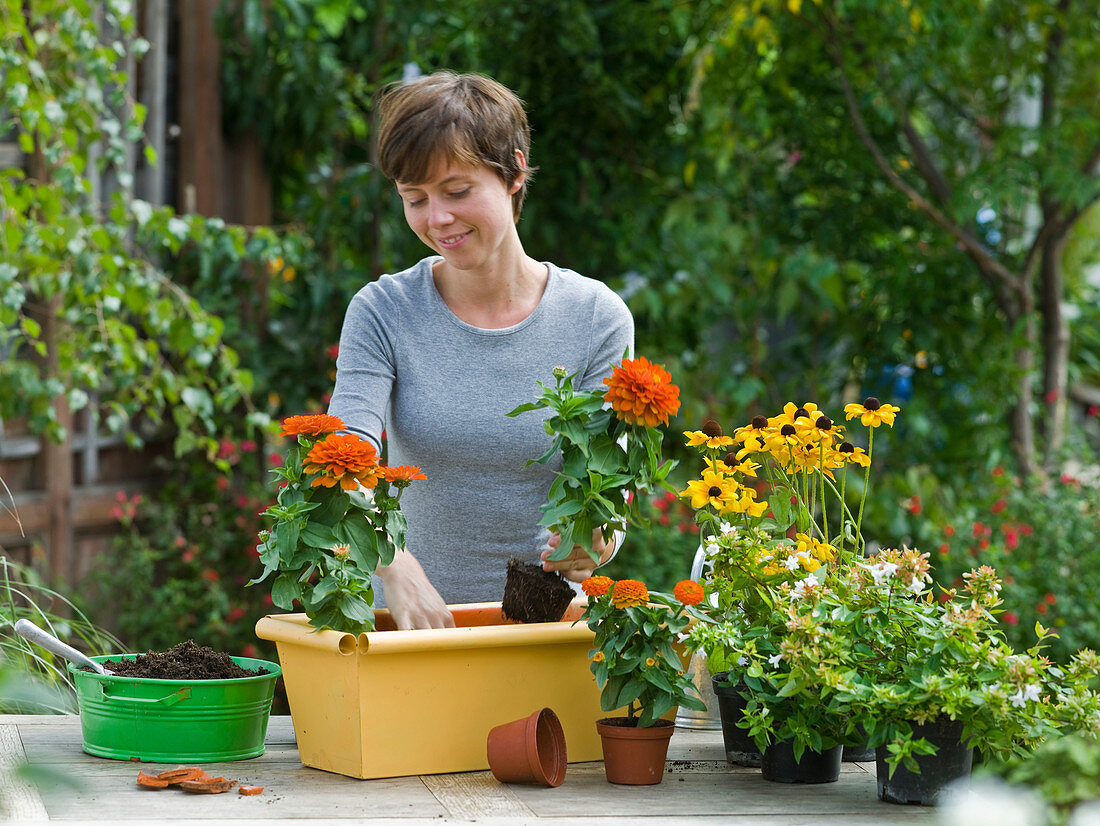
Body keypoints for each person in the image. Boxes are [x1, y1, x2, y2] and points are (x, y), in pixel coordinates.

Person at [327, 71, 634, 629]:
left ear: (515, 171)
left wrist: (596, 541)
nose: (437, 219)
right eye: (413, 199)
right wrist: (394, 566)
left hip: (543, 629)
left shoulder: (596, 317)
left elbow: (608, 479)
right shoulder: (383, 311)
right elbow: (343, 459)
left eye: (457, 191)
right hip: (407, 625)